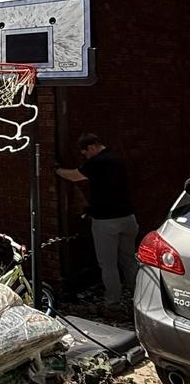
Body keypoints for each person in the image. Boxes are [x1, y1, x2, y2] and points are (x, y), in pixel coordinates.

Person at [56, 133, 139, 314]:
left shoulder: (98, 161)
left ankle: (112, 303)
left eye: (85, 153)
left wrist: (57, 171)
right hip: (128, 218)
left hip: (106, 221)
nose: (85, 156)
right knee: (129, 260)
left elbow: (75, 176)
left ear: (91, 147)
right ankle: (139, 298)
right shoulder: (117, 158)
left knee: (108, 264)